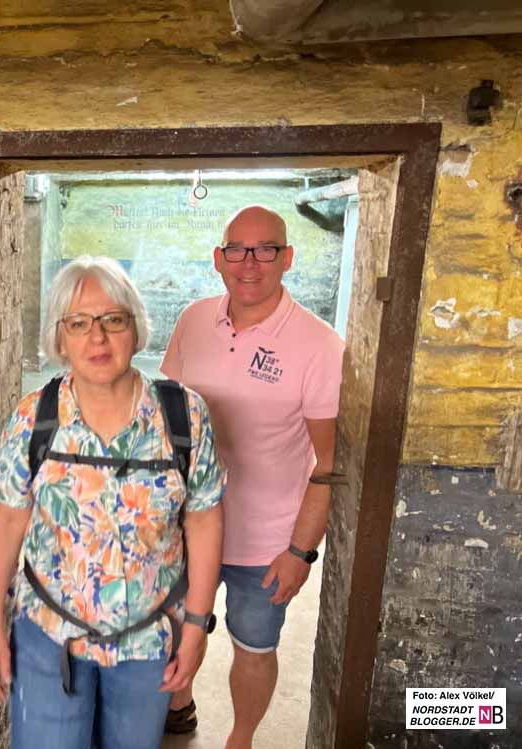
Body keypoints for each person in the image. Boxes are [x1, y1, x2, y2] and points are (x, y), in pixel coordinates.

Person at [0, 256, 226, 749]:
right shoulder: (34, 418)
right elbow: (7, 521)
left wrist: (196, 624)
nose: (97, 338)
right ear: (60, 338)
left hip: (147, 637)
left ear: (135, 329)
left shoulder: (183, 416)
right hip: (49, 636)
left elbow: (204, 520)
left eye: (113, 320)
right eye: (79, 323)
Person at [160, 206, 345, 748]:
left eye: (266, 249)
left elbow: (328, 465)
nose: (250, 263)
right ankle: (179, 705)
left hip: (264, 542)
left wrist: (301, 552)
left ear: (287, 259)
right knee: (169, 626)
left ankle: (240, 738)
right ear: (219, 259)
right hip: (185, 525)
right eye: (237, 249)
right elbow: (168, 419)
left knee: (254, 646)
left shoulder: (318, 346)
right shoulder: (193, 320)